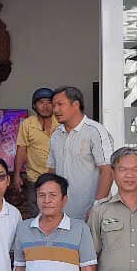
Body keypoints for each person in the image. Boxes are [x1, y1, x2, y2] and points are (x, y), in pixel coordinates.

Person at [12, 172, 96, 271]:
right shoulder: (24, 228)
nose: (47, 200)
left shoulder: (80, 229)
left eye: (52, 195)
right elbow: (19, 270)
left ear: (64, 200)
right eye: (41, 195)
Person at [47, 85, 113, 219]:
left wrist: (97, 207)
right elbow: (52, 171)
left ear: (76, 104)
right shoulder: (56, 135)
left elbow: (108, 171)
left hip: (88, 213)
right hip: (61, 213)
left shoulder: (95, 131)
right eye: (53, 106)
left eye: (60, 104)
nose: (55, 110)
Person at [14, 87, 56, 216]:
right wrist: (17, 174)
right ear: (34, 105)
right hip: (35, 178)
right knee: (36, 213)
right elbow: (21, 150)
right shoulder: (27, 124)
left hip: (59, 177)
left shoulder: (62, 123)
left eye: (49, 102)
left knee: (58, 212)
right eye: (41, 102)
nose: (45, 106)